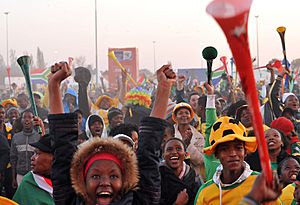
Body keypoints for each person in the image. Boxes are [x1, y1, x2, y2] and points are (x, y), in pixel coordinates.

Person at [48, 62, 175, 205]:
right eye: (95, 176)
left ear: (124, 179)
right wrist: (54, 85)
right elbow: (62, 150)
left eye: (114, 176)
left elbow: (148, 154)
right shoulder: (71, 202)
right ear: (83, 180)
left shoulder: (139, 202)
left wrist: (164, 87)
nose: (105, 183)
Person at [195, 116, 260, 204]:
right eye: (224, 149)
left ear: (245, 152)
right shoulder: (205, 193)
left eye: (238, 148)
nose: (233, 154)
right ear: (216, 154)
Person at [12, 135, 54, 205]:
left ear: (53, 158)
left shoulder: (72, 184)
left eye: (38, 154)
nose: (32, 158)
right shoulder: (28, 183)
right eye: (34, 153)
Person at [159, 138, 201, 205]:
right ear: (163, 155)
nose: (174, 152)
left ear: (185, 154)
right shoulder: (157, 178)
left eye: (178, 149)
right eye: (169, 149)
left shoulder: (194, 177)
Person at [10, 111, 41, 187]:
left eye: (29, 117)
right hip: (20, 175)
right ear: (21, 120)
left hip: (35, 175)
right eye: (24, 117)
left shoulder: (39, 137)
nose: (27, 120)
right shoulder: (16, 137)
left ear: (33, 120)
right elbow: (13, 158)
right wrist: (14, 177)